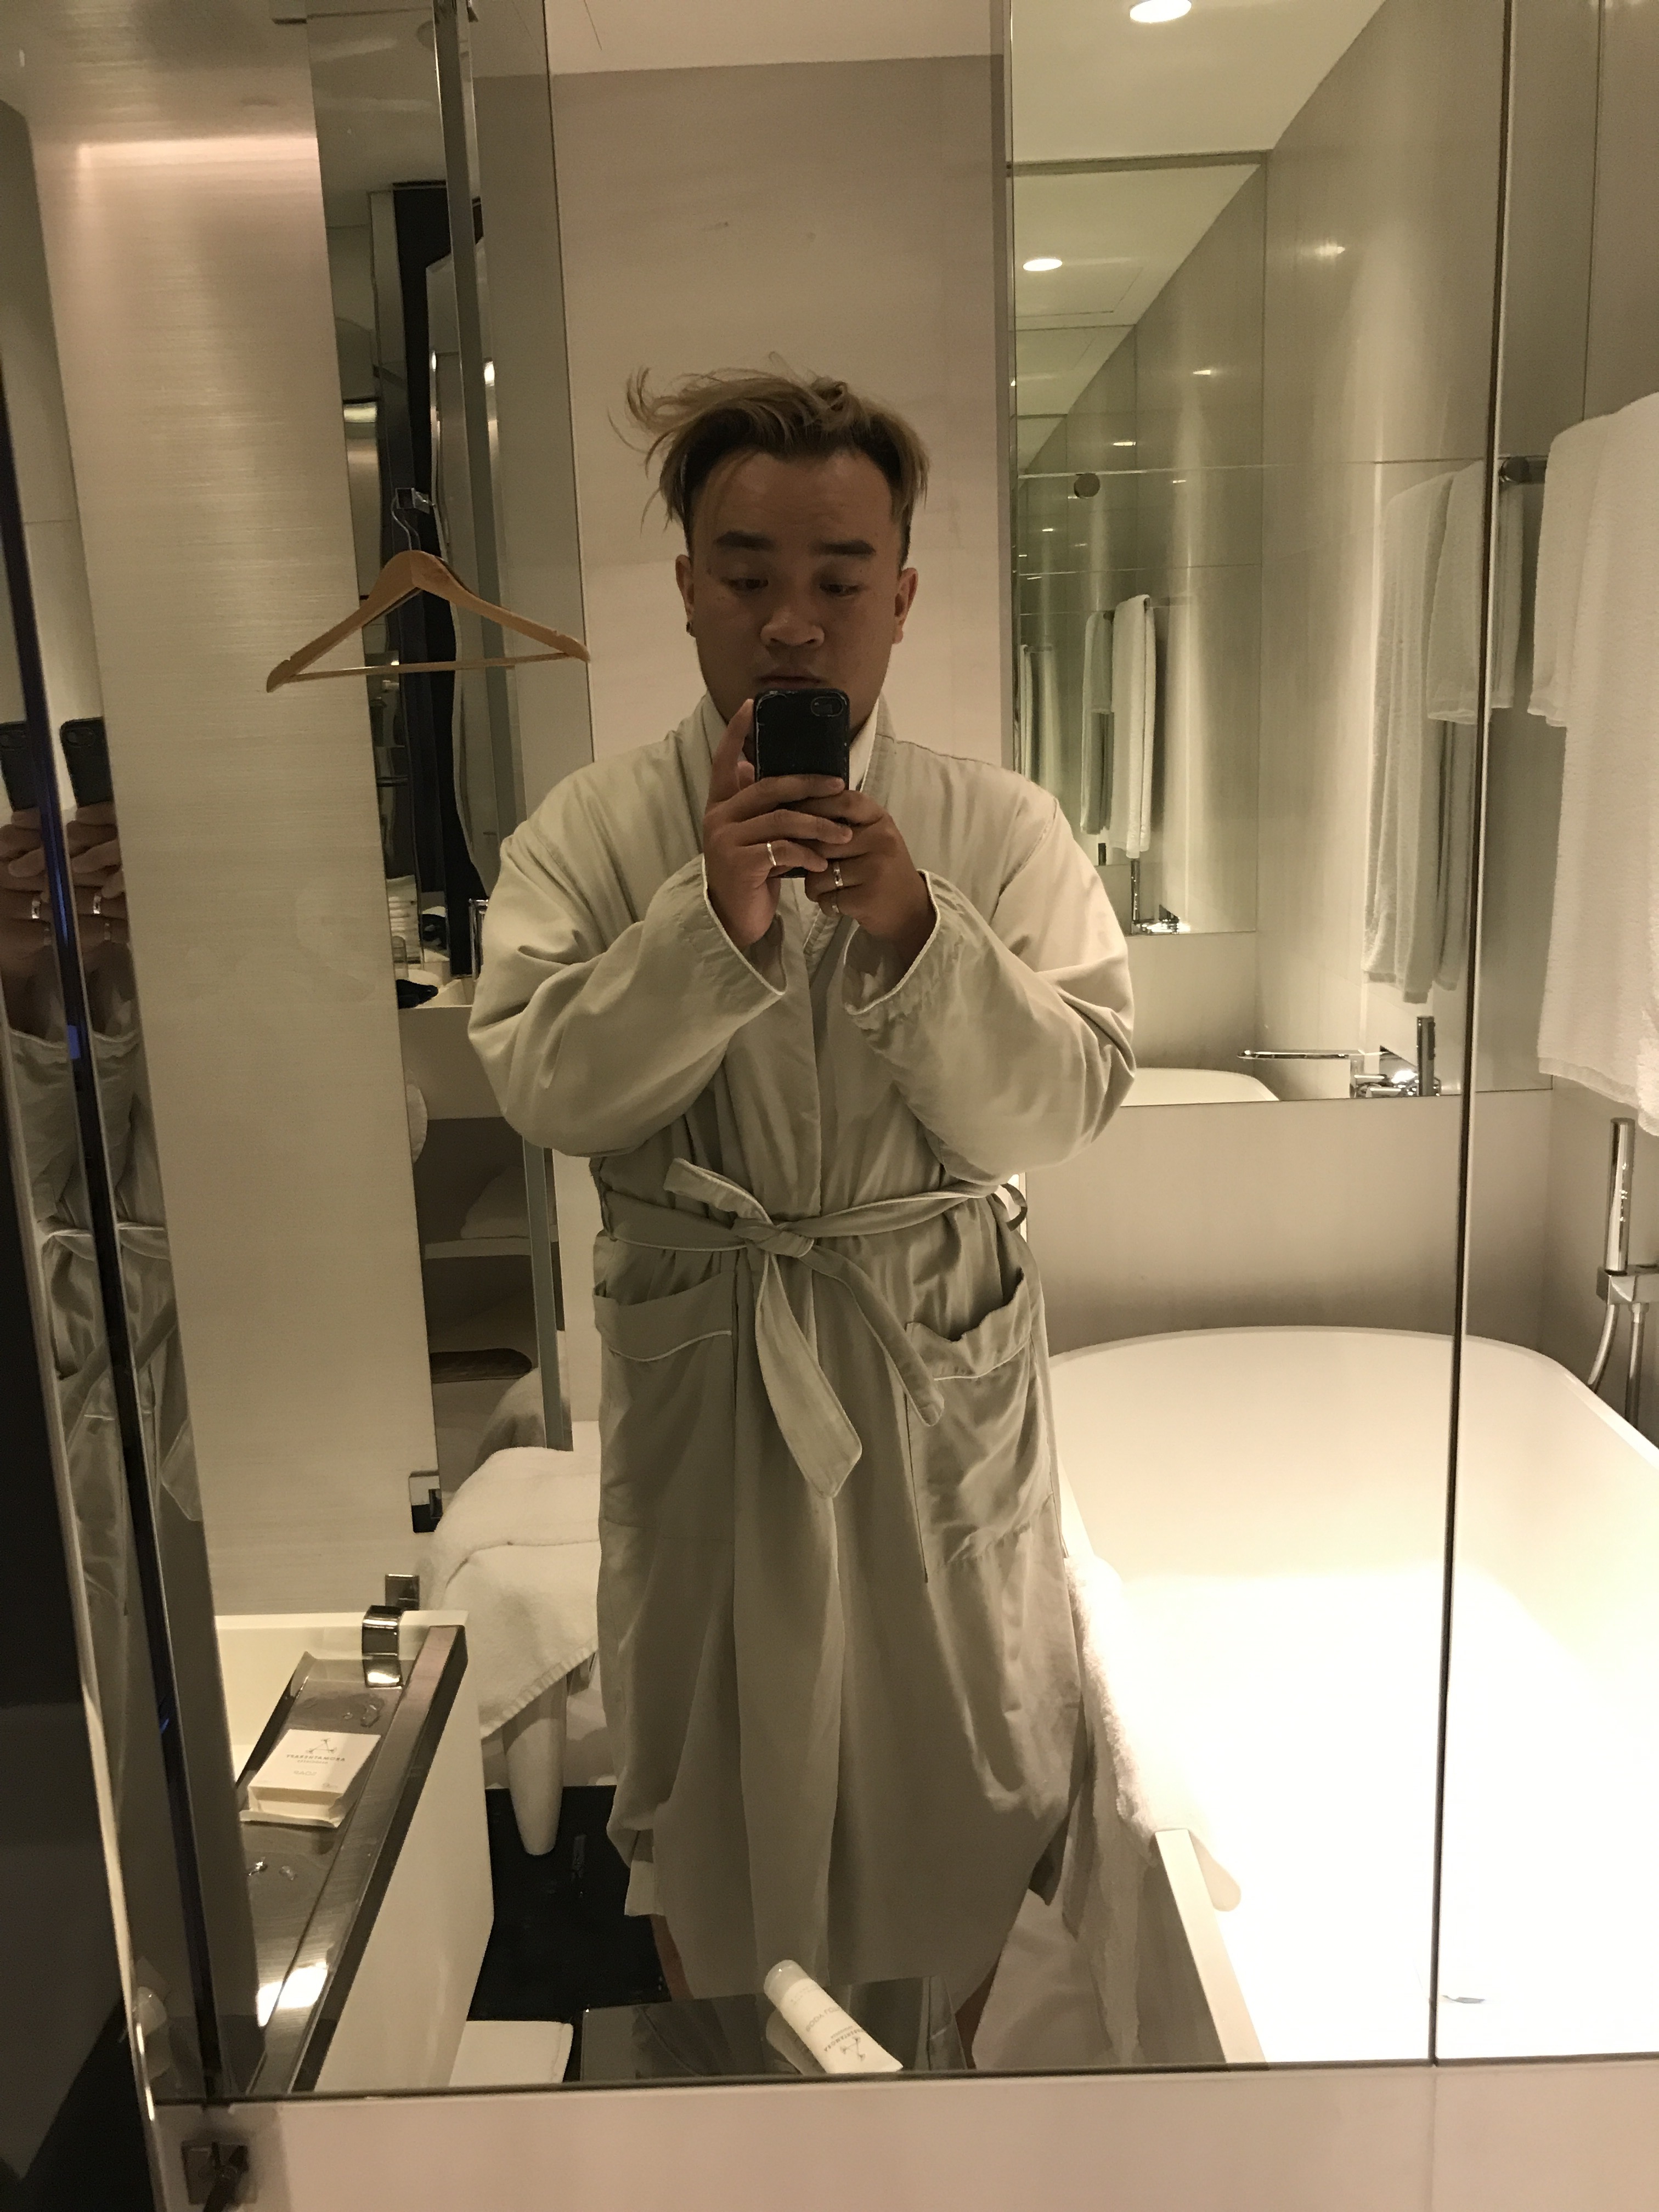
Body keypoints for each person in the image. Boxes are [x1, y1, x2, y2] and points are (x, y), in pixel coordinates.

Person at [470, 368, 1133, 2047]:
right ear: (688, 586)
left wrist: (917, 930)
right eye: (748, 571)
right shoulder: (591, 836)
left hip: (931, 1378)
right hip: (714, 1380)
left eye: (838, 578)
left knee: (957, 1769)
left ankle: (938, 2087)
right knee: (713, 1796)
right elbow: (549, 1088)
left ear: (899, 597)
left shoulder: (999, 831)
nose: (791, 621)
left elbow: (1065, 1100)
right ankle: (743, 2112)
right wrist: (712, 926)